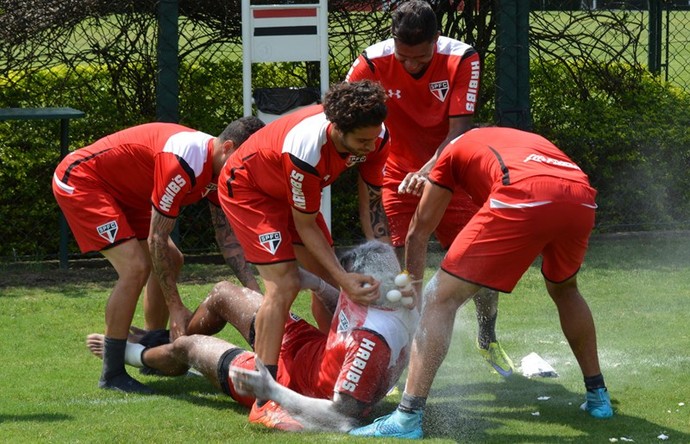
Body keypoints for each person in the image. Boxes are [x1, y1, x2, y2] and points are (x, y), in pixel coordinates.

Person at [350, 127, 614, 439]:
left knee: (440, 297)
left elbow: (417, 232)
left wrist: (414, 296)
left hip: (523, 194)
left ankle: (407, 418)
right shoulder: (504, 139)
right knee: (566, 289)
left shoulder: (449, 155)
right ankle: (598, 397)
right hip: (580, 198)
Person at [86, 241, 419, 432]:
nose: (349, 286)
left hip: (292, 382)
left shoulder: (370, 342)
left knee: (188, 347)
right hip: (308, 348)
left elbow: (341, 416)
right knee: (223, 293)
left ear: (376, 287)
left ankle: (138, 354)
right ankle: (167, 347)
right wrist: (316, 284)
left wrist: (270, 389)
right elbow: (347, 309)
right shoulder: (378, 290)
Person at [345, 0, 513, 376]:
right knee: (401, 272)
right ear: (393, 42)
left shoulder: (462, 58)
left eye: (420, 58)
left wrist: (427, 171)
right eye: (404, 58)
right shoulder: (370, 64)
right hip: (394, 175)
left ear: (437, 40)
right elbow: (340, 115)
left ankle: (488, 338)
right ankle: (403, 358)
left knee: (479, 266)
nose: (411, 65)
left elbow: (459, 134)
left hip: (453, 173)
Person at [216, 80, 391, 423]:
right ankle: (263, 398)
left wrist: (385, 261)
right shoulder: (307, 147)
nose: (370, 147)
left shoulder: (377, 136)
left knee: (329, 280)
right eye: (361, 142)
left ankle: (337, 366)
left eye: (374, 138)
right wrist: (345, 278)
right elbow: (306, 223)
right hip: (249, 191)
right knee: (283, 285)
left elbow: (372, 203)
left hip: (288, 195)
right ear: (337, 129)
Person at [52, 117, 264, 393]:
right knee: (136, 268)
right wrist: (176, 309)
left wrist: (255, 296)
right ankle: (112, 373)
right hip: (83, 180)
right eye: (244, 159)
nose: (245, 170)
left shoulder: (219, 169)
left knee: (173, 259)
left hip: (128, 193)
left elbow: (228, 240)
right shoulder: (182, 162)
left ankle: (152, 348)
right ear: (227, 147)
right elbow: (157, 238)